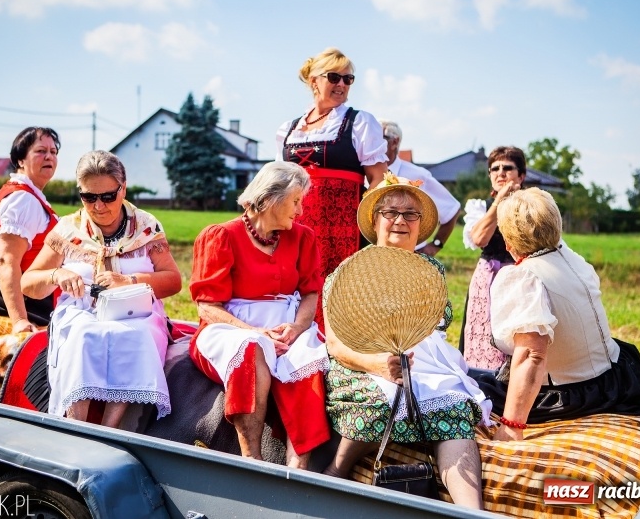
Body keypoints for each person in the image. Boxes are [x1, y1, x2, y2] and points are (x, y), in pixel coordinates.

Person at [321, 172, 491, 510]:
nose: (400, 220)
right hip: (363, 362)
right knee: (379, 404)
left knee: (454, 410)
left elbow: (436, 330)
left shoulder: (431, 270)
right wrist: (378, 365)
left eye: (410, 214)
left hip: (426, 363)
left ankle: (472, 513)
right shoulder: (348, 272)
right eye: (391, 212)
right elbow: (335, 345)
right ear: (375, 220)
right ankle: (334, 471)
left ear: (419, 224)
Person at [21, 150, 182, 428]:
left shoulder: (146, 227)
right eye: (88, 197)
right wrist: (57, 274)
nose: (98, 206)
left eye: (108, 196)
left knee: (135, 334)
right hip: (82, 311)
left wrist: (130, 281)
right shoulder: (67, 229)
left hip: (135, 312)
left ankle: (109, 429)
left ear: (123, 189)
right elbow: (29, 283)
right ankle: (75, 426)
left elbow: (173, 280)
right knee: (83, 334)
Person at [474, 188, 640, 441]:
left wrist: (511, 427)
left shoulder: (524, 276)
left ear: (508, 241)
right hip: (615, 381)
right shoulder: (572, 258)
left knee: (468, 389)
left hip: (571, 398)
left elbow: (532, 355)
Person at [189, 161, 329, 469]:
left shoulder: (303, 238)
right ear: (269, 199)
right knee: (250, 350)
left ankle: (298, 469)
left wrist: (297, 327)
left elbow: (310, 293)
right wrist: (253, 331)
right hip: (229, 328)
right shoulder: (221, 236)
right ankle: (253, 460)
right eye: (295, 201)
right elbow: (207, 306)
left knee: (306, 362)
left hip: (286, 327)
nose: (301, 210)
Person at [276, 47, 388, 328]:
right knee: (293, 283)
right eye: (334, 77)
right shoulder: (288, 129)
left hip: (342, 229)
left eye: (348, 79)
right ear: (314, 81)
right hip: (294, 225)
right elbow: (278, 181)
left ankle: (335, 347)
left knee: (337, 293)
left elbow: (378, 178)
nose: (342, 84)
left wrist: (364, 221)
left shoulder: (359, 122)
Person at [0, 127, 60, 332]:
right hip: (16, 294)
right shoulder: (23, 199)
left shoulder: (29, 195)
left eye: (53, 152)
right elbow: (6, 261)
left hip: (32, 290)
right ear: (20, 160)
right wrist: (20, 319)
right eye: (41, 151)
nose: (49, 157)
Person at [460, 146, 526, 369]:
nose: (500, 173)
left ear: (521, 175)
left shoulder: (530, 207)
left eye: (508, 168)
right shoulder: (481, 207)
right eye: (494, 169)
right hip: (488, 277)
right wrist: (499, 202)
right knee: (484, 333)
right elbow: (480, 239)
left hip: (520, 276)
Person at [381, 120, 460, 256]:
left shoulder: (417, 175)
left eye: (378, 138)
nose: (371, 144)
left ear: (394, 142)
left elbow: (451, 209)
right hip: (378, 255)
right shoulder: (363, 173)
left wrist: (436, 244)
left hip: (412, 256)